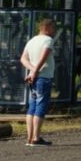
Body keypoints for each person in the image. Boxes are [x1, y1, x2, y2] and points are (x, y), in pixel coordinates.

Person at [19, 18, 56, 147]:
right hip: (43, 77)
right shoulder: (48, 40)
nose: (54, 31)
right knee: (41, 105)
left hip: (32, 78)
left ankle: (29, 138)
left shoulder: (32, 40)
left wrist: (31, 70)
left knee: (32, 106)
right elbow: (44, 56)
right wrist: (35, 71)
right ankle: (36, 137)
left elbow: (23, 58)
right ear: (46, 28)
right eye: (53, 28)